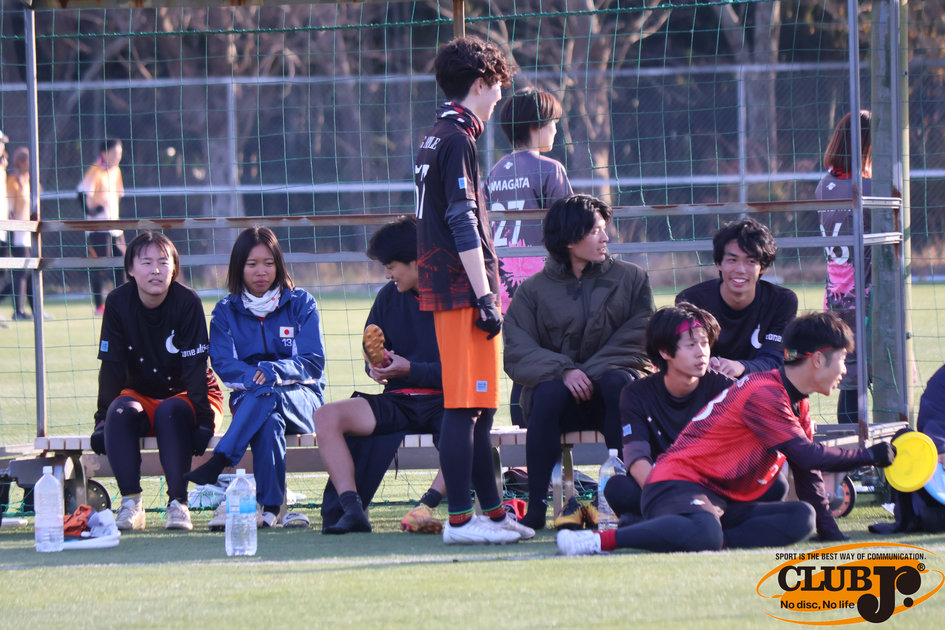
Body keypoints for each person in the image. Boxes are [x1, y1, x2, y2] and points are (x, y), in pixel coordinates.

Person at [556, 311, 898, 556]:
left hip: (722, 497)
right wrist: (870, 455)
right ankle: (599, 541)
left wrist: (830, 532)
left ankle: (682, 533)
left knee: (801, 517)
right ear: (818, 360)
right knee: (701, 527)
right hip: (677, 483)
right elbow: (808, 455)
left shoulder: (797, 401)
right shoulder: (765, 392)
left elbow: (806, 469)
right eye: (843, 359)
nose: (845, 370)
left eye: (704, 343)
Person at [414, 35, 532, 545]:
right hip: (463, 292)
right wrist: (486, 295)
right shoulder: (457, 138)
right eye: (499, 84)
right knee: (465, 409)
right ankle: (461, 521)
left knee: (478, 411)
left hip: (453, 289)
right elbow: (461, 220)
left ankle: (493, 514)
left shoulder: (437, 133)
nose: (501, 94)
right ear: (481, 83)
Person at [503, 193, 655, 531]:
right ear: (571, 240)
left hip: (612, 402)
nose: (606, 238)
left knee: (618, 382)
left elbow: (641, 337)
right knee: (547, 392)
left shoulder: (632, 279)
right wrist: (563, 371)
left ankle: (621, 501)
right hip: (558, 406)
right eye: (595, 231)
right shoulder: (532, 291)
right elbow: (517, 349)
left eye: (604, 228)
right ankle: (537, 508)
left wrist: (585, 373)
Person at [185, 227, 326, 529]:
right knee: (269, 420)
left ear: (279, 265)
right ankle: (271, 510)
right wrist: (258, 376)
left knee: (268, 395)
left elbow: (313, 363)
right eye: (252, 264)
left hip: (302, 400)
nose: (261, 271)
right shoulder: (225, 311)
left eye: (268, 263)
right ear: (239, 267)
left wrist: (274, 372)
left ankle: (221, 458)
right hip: (250, 399)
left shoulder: (301, 303)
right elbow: (224, 364)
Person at [315, 216, 447, 535]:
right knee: (325, 416)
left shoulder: (454, 297)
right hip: (398, 400)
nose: (387, 274)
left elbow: (464, 372)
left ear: (416, 261)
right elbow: (372, 349)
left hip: (447, 401)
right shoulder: (388, 296)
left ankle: (426, 506)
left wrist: (411, 369)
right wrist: (376, 366)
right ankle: (351, 508)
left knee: (472, 423)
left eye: (391, 266)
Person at [89, 231, 224, 531]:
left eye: (163, 262)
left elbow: (195, 367)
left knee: (170, 412)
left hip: (191, 396)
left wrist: (203, 420)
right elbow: (111, 367)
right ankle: (131, 503)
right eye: (146, 262)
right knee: (120, 412)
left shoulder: (187, 302)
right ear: (130, 268)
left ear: (174, 268)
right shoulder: (117, 303)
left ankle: (178, 504)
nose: (155, 270)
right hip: (141, 396)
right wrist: (102, 419)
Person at [484, 87, 572, 427]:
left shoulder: (495, 172)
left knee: (522, 359)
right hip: (540, 282)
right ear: (537, 125)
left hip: (503, 282)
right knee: (549, 360)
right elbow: (567, 229)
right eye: (553, 122)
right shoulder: (550, 169)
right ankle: (544, 437)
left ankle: (524, 434)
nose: (556, 129)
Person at [601, 302, 735, 525]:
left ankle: (654, 524)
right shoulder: (636, 394)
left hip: (710, 487)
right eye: (691, 345)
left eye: (704, 343)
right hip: (661, 486)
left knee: (775, 486)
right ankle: (685, 521)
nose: (701, 352)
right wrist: (670, 497)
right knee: (618, 488)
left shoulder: (725, 389)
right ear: (664, 351)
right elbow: (637, 458)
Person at [676, 217, 797, 378]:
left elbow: (779, 359)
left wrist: (742, 366)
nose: (740, 269)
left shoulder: (782, 301)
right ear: (718, 263)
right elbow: (683, 357)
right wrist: (708, 365)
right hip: (708, 384)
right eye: (732, 260)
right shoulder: (691, 300)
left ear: (763, 267)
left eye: (751, 261)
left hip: (762, 386)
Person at [815, 110, 872, 424]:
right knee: (883, 377)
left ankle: (850, 449)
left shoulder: (824, 185)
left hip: (836, 297)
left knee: (850, 385)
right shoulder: (867, 188)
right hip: (867, 297)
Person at [869, 364, 945, 534]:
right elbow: (934, 419)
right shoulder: (942, 380)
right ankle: (911, 515)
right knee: (904, 439)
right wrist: (941, 448)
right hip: (938, 476)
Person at [79, 138, 126, 316]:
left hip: (115, 227)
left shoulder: (116, 171)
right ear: (104, 153)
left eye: (120, 153)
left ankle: (122, 302)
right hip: (98, 228)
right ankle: (99, 305)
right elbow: (82, 195)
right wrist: (92, 211)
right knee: (99, 267)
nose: (118, 156)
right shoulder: (95, 170)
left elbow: (119, 194)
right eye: (115, 153)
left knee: (122, 263)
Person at [3, 147, 37, 320]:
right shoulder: (13, 181)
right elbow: (9, 209)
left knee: (30, 271)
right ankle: (18, 310)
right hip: (18, 234)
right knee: (21, 272)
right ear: (21, 162)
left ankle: (34, 309)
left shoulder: (31, 179)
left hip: (30, 233)